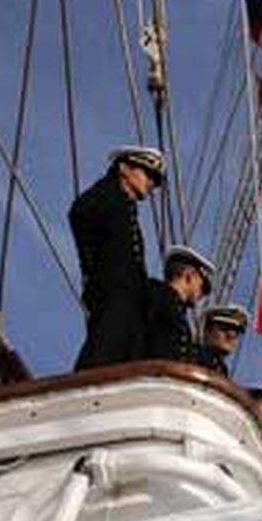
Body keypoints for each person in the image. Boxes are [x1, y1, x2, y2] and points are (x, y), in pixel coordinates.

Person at [70, 146, 165, 371]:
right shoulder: (108, 196)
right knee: (101, 356)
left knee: (123, 362)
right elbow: (81, 213)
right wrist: (95, 268)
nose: (151, 183)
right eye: (148, 174)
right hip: (112, 294)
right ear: (124, 168)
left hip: (128, 301)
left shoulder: (126, 207)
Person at [142, 245, 214, 362]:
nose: (202, 294)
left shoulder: (177, 311)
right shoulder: (156, 295)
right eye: (202, 285)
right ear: (189, 275)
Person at [194, 304, 249, 377]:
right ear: (207, 331)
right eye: (224, 329)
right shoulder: (191, 357)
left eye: (236, 333)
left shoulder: (221, 369)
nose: (231, 336)